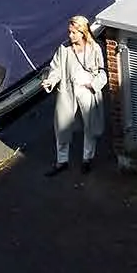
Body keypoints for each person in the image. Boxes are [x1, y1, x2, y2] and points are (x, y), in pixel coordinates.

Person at [43, 16, 107, 175]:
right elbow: (56, 69)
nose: (70, 36)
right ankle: (61, 161)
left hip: (87, 90)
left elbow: (102, 71)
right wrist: (50, 81)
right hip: (68, 90)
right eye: (69, 32)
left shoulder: (94, 49)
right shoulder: (64, 49)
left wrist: (93, 84)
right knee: (62, 125)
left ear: (83, 33)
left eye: (73, 33)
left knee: (89, 125)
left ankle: (87, 158)